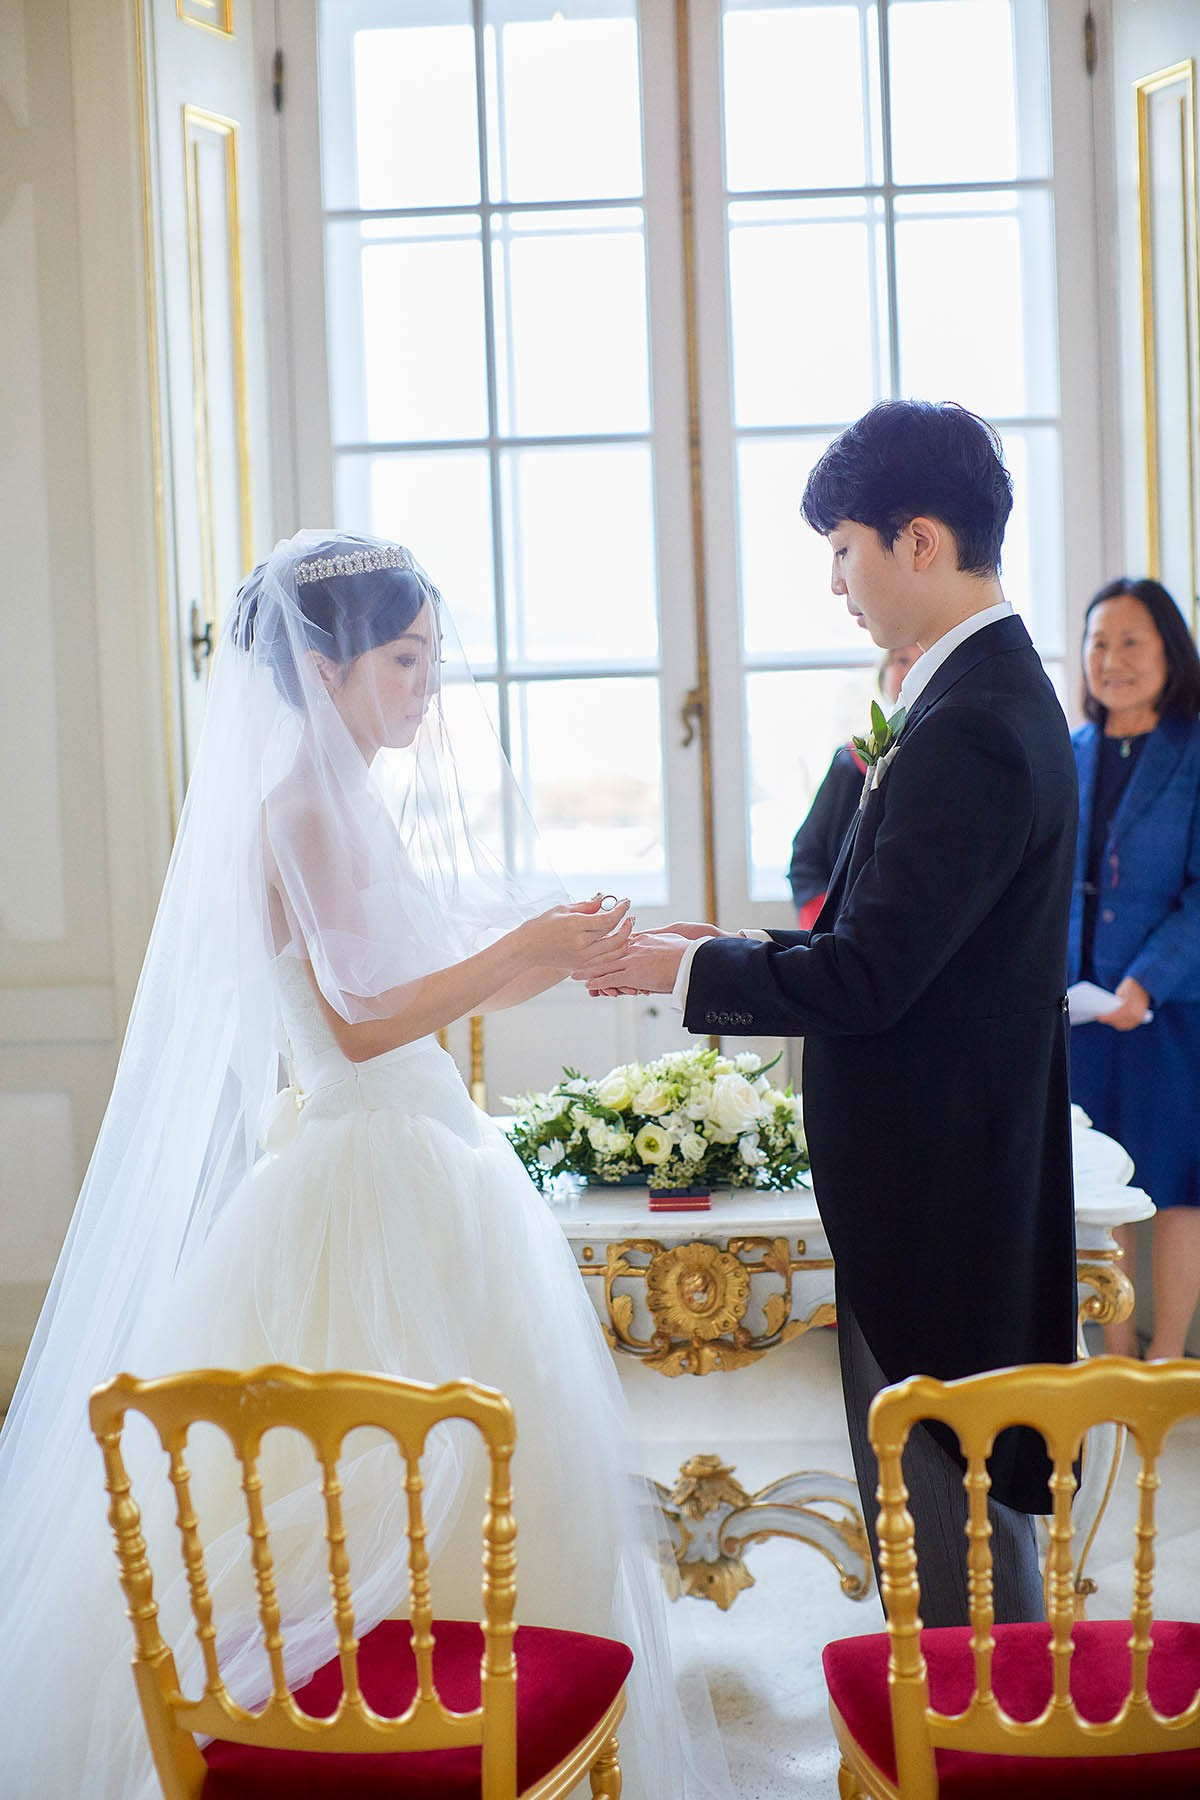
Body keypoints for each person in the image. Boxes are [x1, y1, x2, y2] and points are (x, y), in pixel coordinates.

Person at [0, 532, 730, 1800]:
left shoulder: (347, 804)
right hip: (366, 1158)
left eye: (431, 659)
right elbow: (360, 1017)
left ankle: (477, 1725)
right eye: (405, 659)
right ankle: (380, 1735)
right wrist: (533, 944)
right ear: (324, 666)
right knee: (373, 1480)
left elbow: (431, 958)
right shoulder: (295, 810)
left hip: (422, 1145)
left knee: (480, 1469)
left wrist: (593, 947)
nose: (425, 686)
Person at [583, 401, 1080, 1629]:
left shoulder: (972, 730)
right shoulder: (975, 698)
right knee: (946, 1502)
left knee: (945, 1508)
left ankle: (968, 1742)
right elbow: (896, 945)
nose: (840, 587)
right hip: (942, 1173)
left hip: (940, 1193)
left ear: (919, 543)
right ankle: (968, 1724)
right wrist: (726, 951)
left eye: (844, 550)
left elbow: (872, 982)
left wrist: (683, 978)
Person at [1068, 576, 1200, 1359]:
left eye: (1130, 642)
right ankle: (1115, 1355)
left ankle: (1167, 1359)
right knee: (1103, 1186)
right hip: (1081, 1013)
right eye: (1097, 642)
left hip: (1169, 1010)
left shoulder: (1191, 748)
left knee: (1179, 1191)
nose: (1111, 660)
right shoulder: (1070, 750)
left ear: (1168, 653)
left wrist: (1144, 981)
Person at [788, 644, 920, 924]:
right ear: (883, 672)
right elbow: (807, 856)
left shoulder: (945, 760)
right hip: (843, 933)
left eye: (921, 661)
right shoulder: (851, 761)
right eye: (901, 660)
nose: (909, 671)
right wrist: (825, 920)